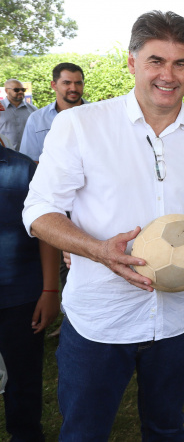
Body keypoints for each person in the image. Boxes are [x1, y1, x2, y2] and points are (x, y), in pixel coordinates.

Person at [22, 10, 184, 440]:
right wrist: (99, 250)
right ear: (132, 62)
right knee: (84, 431)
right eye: (156, 60)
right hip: (101, 319)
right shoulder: (80, 125)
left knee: (166, 427)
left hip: (179, 319)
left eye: (180, 63)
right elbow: (40, 211)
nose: (168, 75)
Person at [0, 145, 59, 441]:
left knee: (23, 377)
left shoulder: (24, 169)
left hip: (20, 294)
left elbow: (46, 232)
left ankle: (25, 434)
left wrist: (50, 289)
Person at [20, 63, 87, 161]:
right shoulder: (37, 119)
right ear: (54, 85)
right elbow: (31, 161)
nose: (73, 88)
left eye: (78, 83)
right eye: (66, 83)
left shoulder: (97, 115)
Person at [0, 78, 37, 151]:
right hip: (3, 155)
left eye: (23, 90)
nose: (20, 92)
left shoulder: (33, 110)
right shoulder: (0, 108)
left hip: (27, 155)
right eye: (16, 90)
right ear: (6, 91)